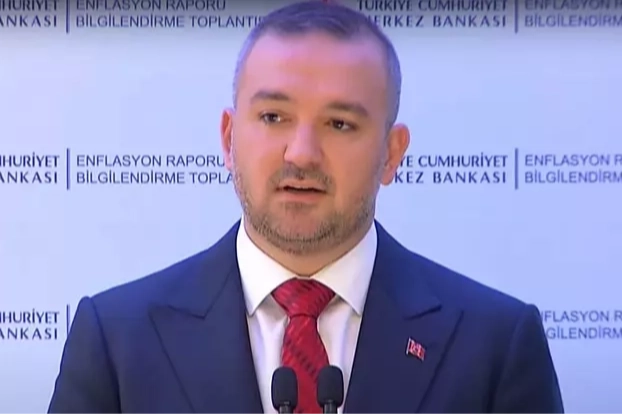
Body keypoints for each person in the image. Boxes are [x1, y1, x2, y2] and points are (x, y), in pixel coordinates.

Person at [47, 1, 565, 413]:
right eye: (273, 117)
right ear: (228, 138)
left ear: (392, 153)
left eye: (340, 124)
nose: (301, 153)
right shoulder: (117, 339)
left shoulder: (495, 345)